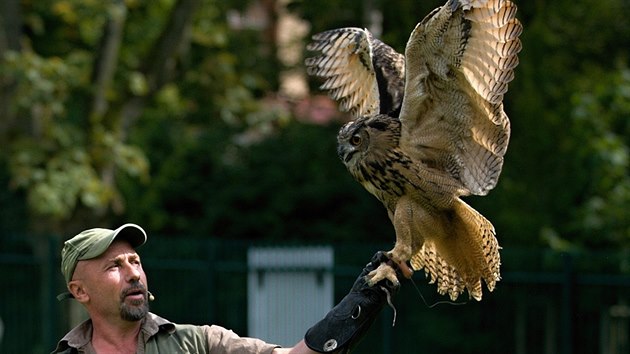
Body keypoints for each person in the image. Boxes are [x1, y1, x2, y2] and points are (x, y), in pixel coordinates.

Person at [52, 223, 400, 353]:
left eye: (135, 262)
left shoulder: (199, 344)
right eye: (114, 266)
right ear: (79, 291)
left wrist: (360, 303)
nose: (133, 273)